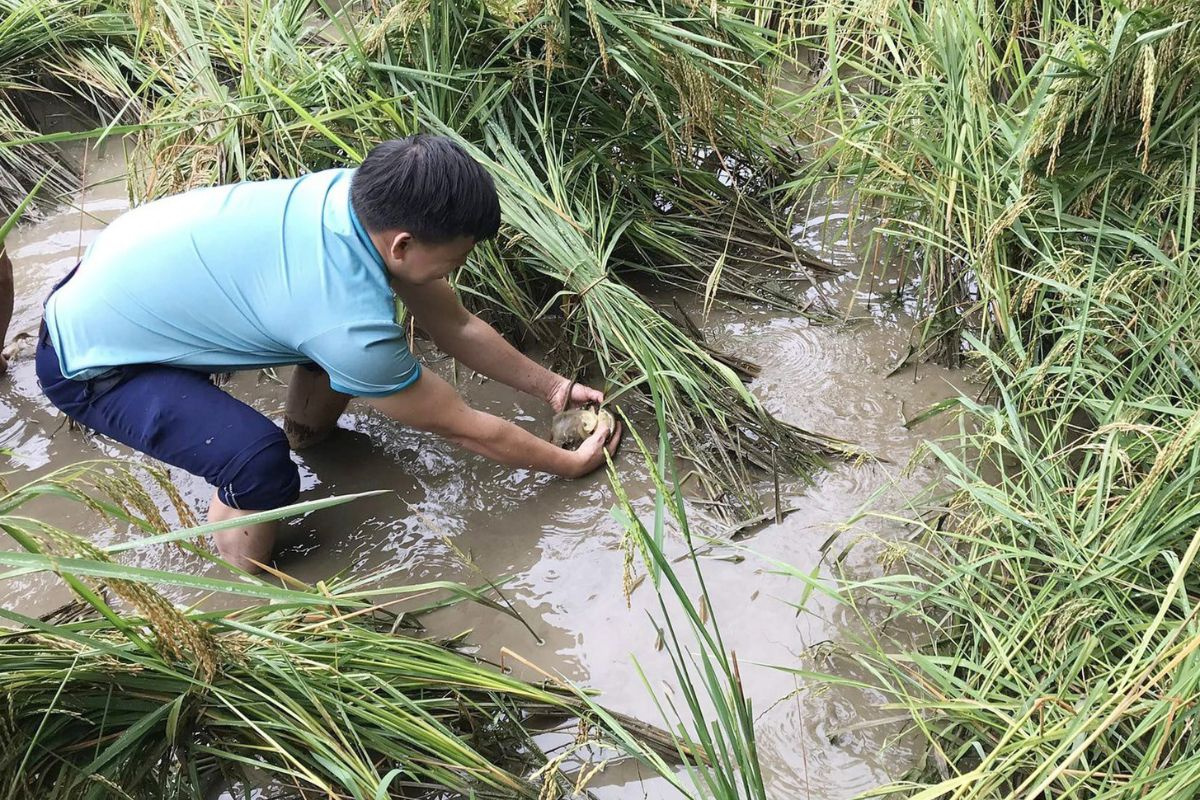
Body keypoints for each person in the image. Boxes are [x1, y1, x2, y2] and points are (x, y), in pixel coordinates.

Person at [36, 134, 621, 572]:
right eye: (455, 260)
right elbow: (464, 427)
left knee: (335, 350)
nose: (457, 272)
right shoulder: (346, 320)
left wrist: (552, 389)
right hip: (91, 360)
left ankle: (308, 434)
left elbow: (456, 324)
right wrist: (568, 463)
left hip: (120, 282)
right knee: (257, 463)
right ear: (404, 243)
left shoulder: (353, 197)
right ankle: (245, 581)